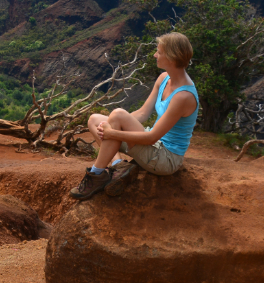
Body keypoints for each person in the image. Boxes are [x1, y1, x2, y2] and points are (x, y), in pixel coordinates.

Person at [69, 32, 200, 200]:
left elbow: (152, 137)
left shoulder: (183, 96)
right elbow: (143, 113)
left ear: (172, 57)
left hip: (166, 159)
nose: (155, 55)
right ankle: (118, 166)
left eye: (159, 52)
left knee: (116, 116)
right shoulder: (164, 78)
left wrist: (113, 132)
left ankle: (96, 175)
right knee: (95, 120)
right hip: (154, 146)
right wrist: (115, 124)